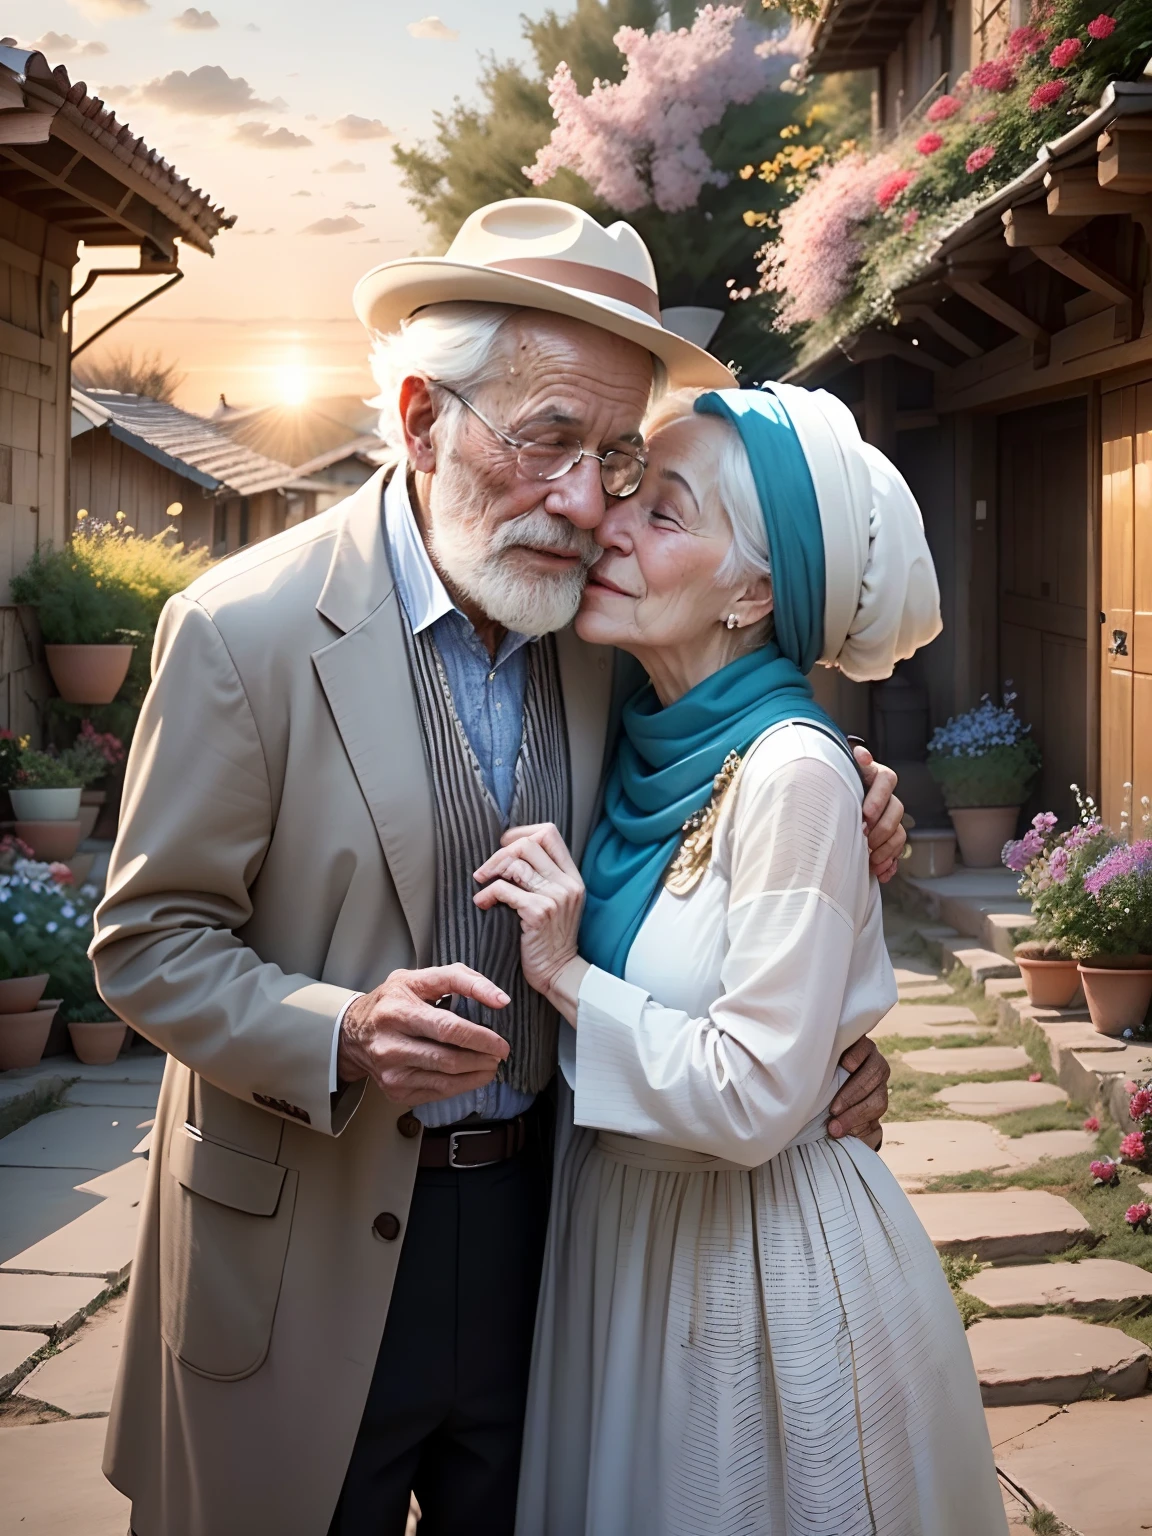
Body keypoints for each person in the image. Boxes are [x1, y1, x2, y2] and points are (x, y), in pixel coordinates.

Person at [90, 199, 905, 1536]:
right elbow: (146, 943)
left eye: (614, 455)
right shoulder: (240, 632)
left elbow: (735, 762)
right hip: (297, 1252)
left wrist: (845, 817)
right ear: (422, 418)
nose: (586, 501)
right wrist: (337, 1030)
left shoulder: (602, 627)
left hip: (552, 1243)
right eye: (546, 442)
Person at [476, 384, 1008, 1536]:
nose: (610, 524)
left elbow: (760, 1090)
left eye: (666, 514)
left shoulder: (792, 775)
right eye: (628, 492)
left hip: (751, 1275)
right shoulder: (629, 732)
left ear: (756, 593)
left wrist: (566, 976)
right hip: (619, 1245)